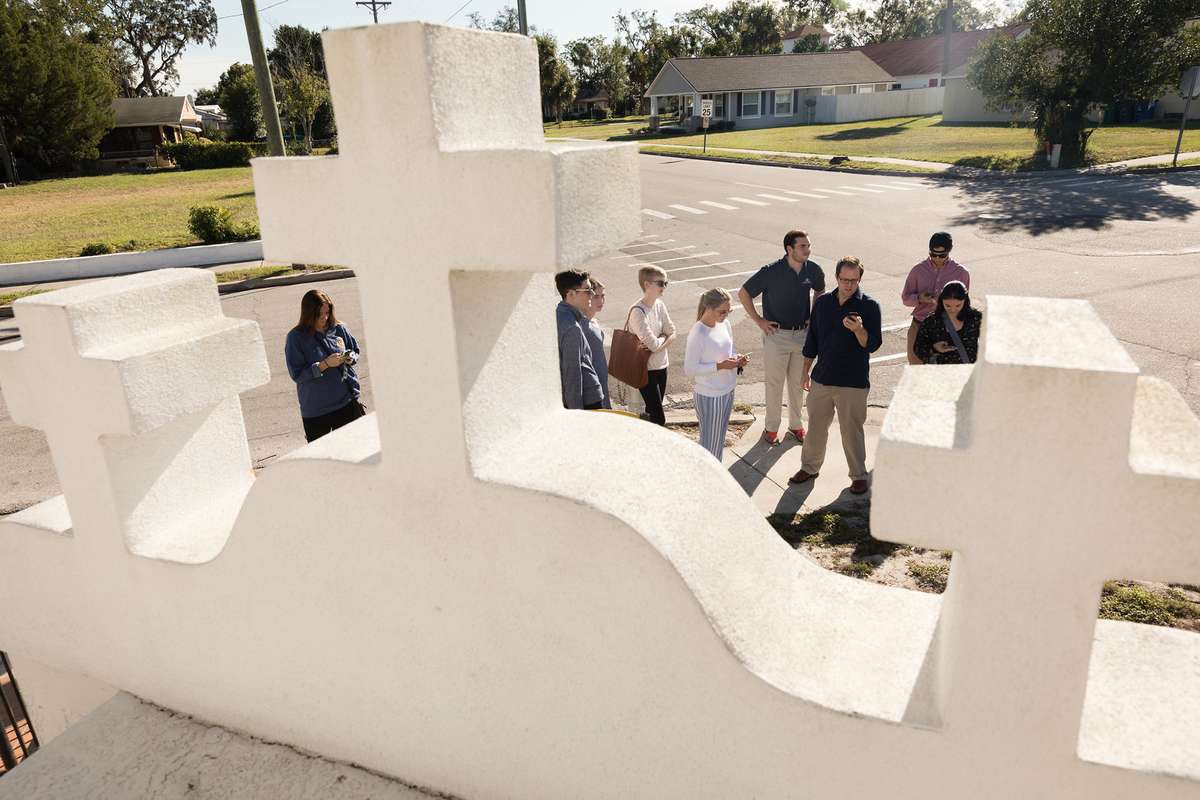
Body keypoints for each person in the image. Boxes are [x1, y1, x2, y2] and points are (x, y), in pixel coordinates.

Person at [789, 256, 882, 496]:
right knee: (816, 428)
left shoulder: (870, 306)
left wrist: (859, 330)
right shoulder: (823, 304)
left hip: (853, 382)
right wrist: (805, 372)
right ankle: (809, 468)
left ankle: (858, 476)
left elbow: (872, 345)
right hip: (822, 378)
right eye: (844, 280)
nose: (848, 285)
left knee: (851, 432)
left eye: (853, 280)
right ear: (836, 278)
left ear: (860, 279)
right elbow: (813, 341)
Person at [738, 229, 825, 445]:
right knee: (774, 384)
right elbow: (744, 293)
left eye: (808, 245)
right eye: (803, 246)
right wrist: (759, 320)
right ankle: (771, 429)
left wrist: (813, 317)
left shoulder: (813, 270)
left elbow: (820, 291)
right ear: (789, 249)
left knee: (798, 384)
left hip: (802, 336)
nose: (808, 250)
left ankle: (796, 426)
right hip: (776, 336)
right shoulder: (771, 271)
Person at [284, 289, 366, 443]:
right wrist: (324, 365)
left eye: (327, 312)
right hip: (317, 412)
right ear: (308, 314)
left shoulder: (339, 328)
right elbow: (297, 374)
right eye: (319, 314)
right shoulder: (296, 338)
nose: (324, 318)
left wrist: (350, 357)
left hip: (346, 404)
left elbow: (355, 351)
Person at [684, 288, 749, 460]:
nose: (726, 315)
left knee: (718, 442)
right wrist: (720, 366)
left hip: (727, 390)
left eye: (729, 311)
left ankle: (713, 478)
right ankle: (708, 481)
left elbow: (729, 349)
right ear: (708, 308)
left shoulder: (724, 324)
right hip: (710, 395)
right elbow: (689, 370)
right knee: (710, 446)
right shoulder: (698, 332)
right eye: (722, 312)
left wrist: (737, 358)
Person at [902, 231, 970, 365]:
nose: (937, 258)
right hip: (920, 326)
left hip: (947, 329)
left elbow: (964, 304)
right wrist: (920, 298)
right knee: (917, 372)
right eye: (933, 254)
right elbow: (906, 299)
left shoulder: (961, 273)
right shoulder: (918, 270)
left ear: (949, 251)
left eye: (942, 255)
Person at [628, 265, 677, 425]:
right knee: (658, 417)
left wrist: (661, 339)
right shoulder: (637, 312)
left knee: (651, 414)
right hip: (645, 371)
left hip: (662, 366)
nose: (664, 287)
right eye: (661, 283)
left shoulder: (659, 305)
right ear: (647, 284)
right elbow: (655, 344)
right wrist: (664, 337)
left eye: (666, 283)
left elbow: (673, 332)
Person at [555, 269, 604, 410]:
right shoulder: (572, 327)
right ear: (570, 294)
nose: (592, 294)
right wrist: (576, 414)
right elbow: (572, 374)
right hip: (589, 400)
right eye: (588, 290)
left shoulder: (560, 314)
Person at [913, 280, 982, 365]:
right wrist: (934, 348)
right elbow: (918, 348)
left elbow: (993, 344)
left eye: (958, 305)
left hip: (968, 373)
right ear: (941, 302)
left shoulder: (976, 318)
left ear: (965, 301)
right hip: (942, 373)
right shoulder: (932, 321)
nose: (953, 310)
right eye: (948, 306)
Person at [582, 277, 612, 409]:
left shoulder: (594, 321)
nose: (601, 301)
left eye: (603, 296)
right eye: (596, 297)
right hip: (591, 383)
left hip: (602, 377)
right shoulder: (580, 324)